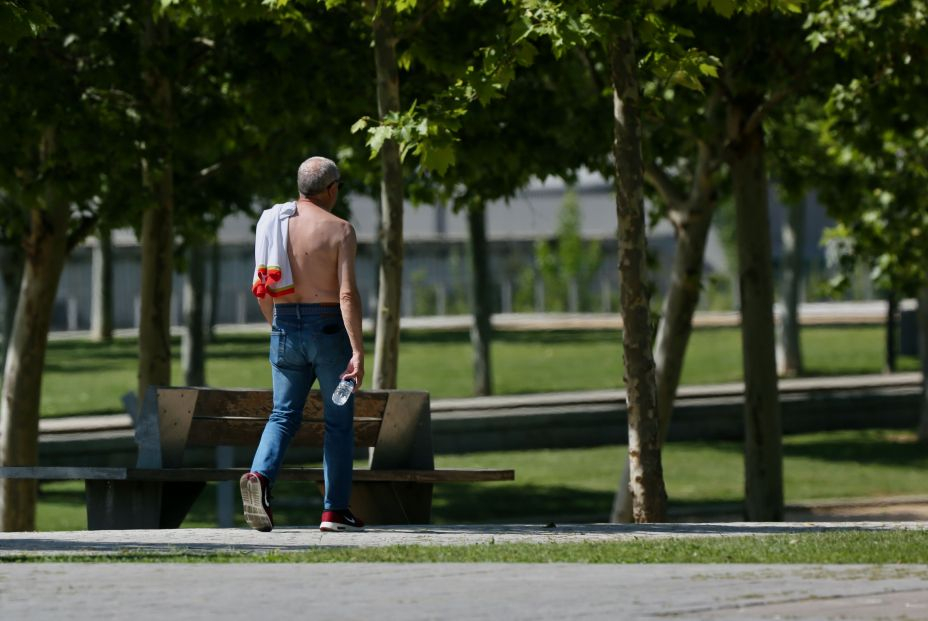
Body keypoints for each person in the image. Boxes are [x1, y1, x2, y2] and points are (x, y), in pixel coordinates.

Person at [240, 156, 365, 532]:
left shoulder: (272, 223)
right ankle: (334, 511)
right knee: (338, 423)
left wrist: (278, 328)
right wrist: (357, 350)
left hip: (284, 326)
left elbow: (262, 289)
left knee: (283, 415)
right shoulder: (340, 230)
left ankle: (260, 476)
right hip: (328, 329)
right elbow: (346, 295)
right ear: (331, 189)